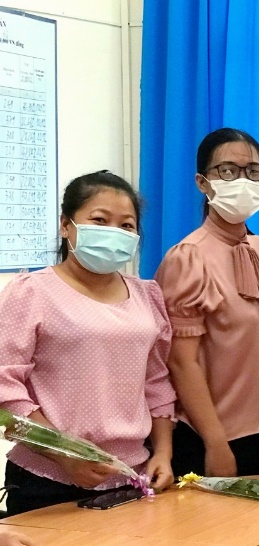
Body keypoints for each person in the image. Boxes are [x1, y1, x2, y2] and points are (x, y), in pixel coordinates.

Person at [0, 171, 175, 516]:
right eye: (99, 220)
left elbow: (156, 382)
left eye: (126, 225)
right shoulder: (31, 293)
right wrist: (64, 454)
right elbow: (5, 389)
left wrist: (164, 453)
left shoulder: (147, 295)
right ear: (66, 225)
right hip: (47, 478)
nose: (114, 232)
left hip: (132, 476)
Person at [155, 128, 259, 478]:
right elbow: (181, 362)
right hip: (213, 439)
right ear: (202, 182)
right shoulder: (188, 256)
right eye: (228, 171)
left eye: (253, 171)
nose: (243, 180)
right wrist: (215, 442)